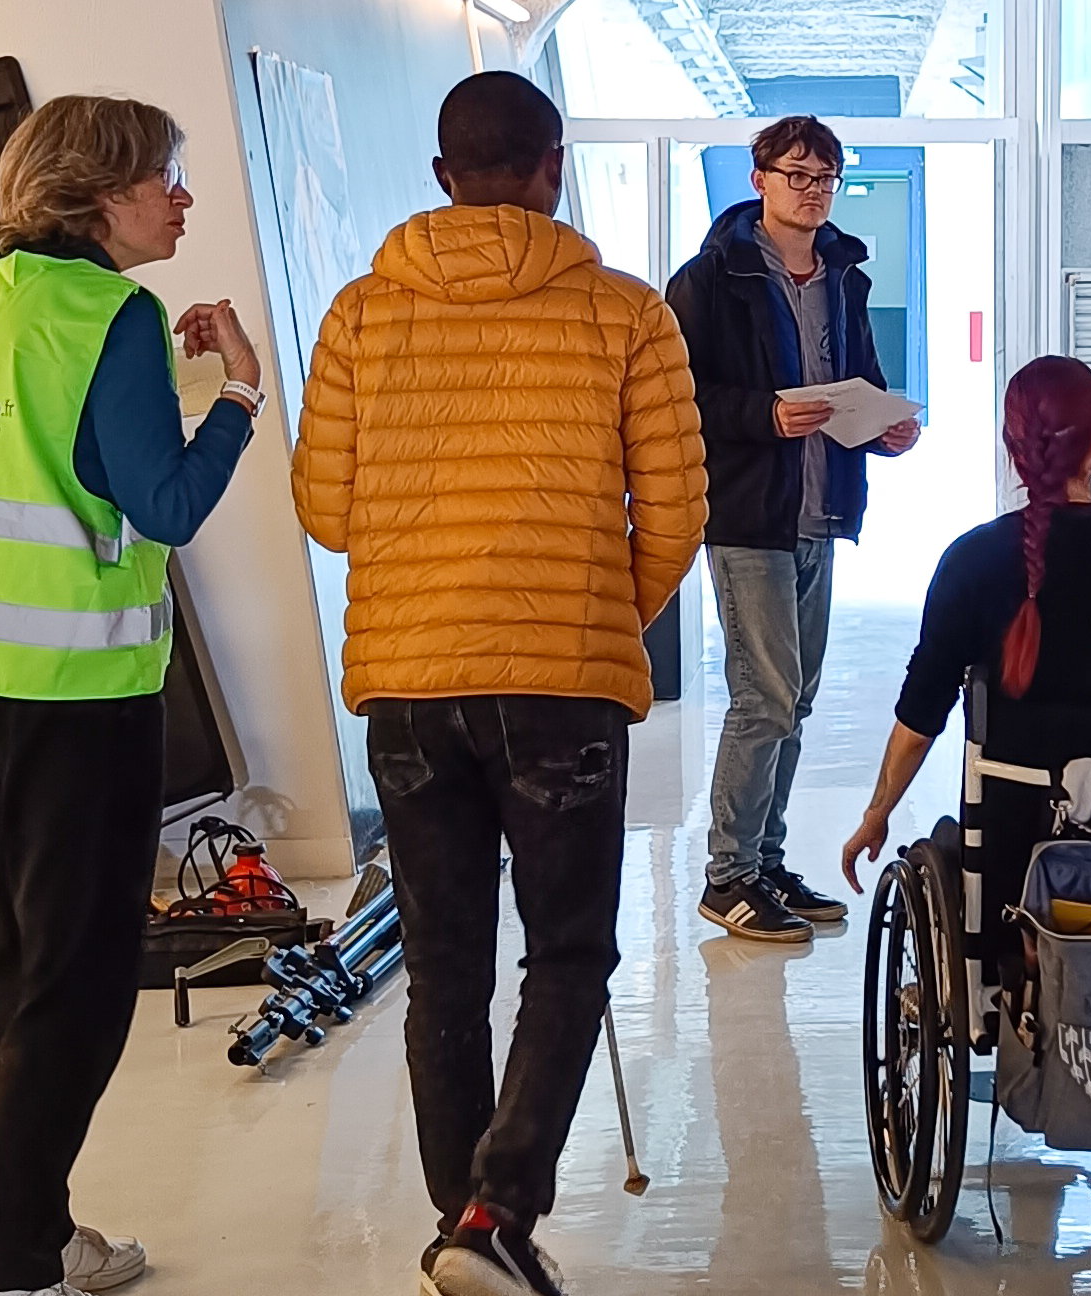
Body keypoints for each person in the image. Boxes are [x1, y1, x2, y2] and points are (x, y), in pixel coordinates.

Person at [291, 72, 705, 1296]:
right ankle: (495, 1213)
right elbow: (677, 518)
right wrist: (584, 623)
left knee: (445, 962)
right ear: (554, 165)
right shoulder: (626, 314)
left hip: (409, 687)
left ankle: (457, 1220)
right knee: (568, 952)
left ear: (440, 178)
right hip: (561, 693)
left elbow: (326, 511)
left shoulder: (362, 315)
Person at [0, 95, 262, 1296]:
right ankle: (8, 1261)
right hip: (77, 690)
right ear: (103, 196)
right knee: (84, 979)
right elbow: (169, 507)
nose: (182, 199)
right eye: (167, 178)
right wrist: (238, 397)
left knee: (16, 966)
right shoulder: (113, 313)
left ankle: (36, 1236)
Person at [842, 356, 1091, 932]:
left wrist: (877, 815)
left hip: (1017, 860)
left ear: (1012, 445)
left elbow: (922, 715)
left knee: (949, 847)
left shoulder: (973, 562)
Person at [666, 114, 921, 944]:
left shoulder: (845, 275)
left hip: (821, 509)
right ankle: (727, 875)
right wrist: (765, 416)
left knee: (798, 699)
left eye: (826, 179)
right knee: (765, 696)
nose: (813, 191)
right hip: (748, 516)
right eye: (797, 175)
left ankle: (765, 861)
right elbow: (683, 404)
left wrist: (887, 425)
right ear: (759, 179)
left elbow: (862, 379)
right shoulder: (709, 280)